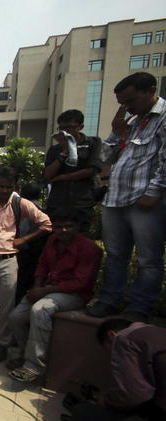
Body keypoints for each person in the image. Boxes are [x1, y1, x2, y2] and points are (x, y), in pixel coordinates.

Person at [87, 72, 166, 323]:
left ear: (151, 91)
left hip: (145, 200)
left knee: (148, 259)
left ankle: (139, 307)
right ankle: (109, 301)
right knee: (115, 254)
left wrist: (153, 192)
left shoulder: (163, 118)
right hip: (116, 198)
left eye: (130, 101)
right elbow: (106, 158)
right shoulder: (132, 120)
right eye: (122, 103)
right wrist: (117, 133)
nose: (127, 107)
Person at [0, 167, 51, 361]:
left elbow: (46, 224)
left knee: (6, 306)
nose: (4, 190)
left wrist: (24, 239)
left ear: (15, 187)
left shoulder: (20, 203)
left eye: (9, 187)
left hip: (9, 261)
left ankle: (2, 343)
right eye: (1, 186)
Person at [63, 318, 166, 421]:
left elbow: (132, 396)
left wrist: (104, 401)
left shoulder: (125, 338)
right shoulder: (158, 332)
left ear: (111, 335)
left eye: (109, 351)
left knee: (83, 412)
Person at [8, 209, 102, 382]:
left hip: (73, 294)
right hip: (47, 289)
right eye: (59, 227)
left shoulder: (90, 249)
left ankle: (33, 366)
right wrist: (36, 288)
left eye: (68, 226)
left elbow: (80, 283)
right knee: (16, 316)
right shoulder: (52, 240)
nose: (63, 230)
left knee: (40, 310)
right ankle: (24, 352)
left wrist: (44, 291)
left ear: (77, 227)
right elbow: (42, 266)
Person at [43, 109, 102, 234]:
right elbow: (48, 174)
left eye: (70, 127)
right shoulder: (55, 149)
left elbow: (92, 170)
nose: (66, 132)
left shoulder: (92, 143)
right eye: (62, 128)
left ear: (80, 127)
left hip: (81, 202)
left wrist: (63, 177)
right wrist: (64, 152)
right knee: (55, 237)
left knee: (81, 237)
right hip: (57, 203)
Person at [14, 183, 48, 305]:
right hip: (38, 253)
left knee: (21, 285)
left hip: (26, 253)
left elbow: (23, 232)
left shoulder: (28, 210)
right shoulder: (42, 210)